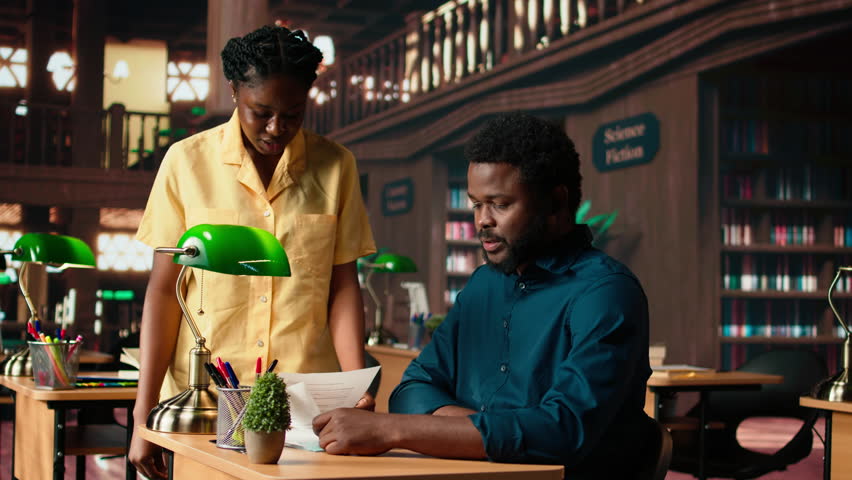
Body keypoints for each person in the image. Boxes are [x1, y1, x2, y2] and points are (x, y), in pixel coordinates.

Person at [312, 112, 651, 478]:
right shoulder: (482, 285)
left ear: (555, 202)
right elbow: (411, 389)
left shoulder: (607, 293)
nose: (482, 221)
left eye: (500, 204)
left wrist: (391, 430)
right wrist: (483, 428)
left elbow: (561, 431)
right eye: (476, 204)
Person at [130, 25, 376, 479]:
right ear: (234, 92)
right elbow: (165, 292)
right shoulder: (185, 163)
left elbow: (342, 287)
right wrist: (142, 415)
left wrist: (355, 387)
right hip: (204, 406)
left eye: (293, 114)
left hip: (304, 407)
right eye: (260, 111)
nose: (275, 128)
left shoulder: (337, 166)